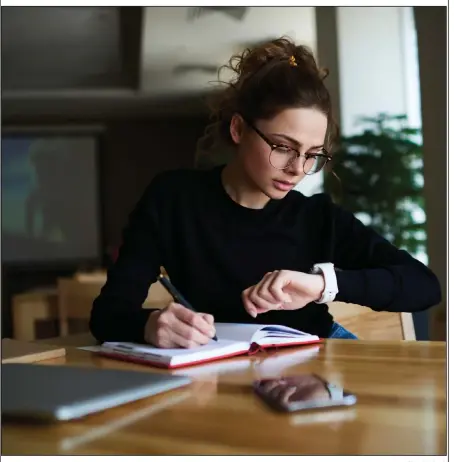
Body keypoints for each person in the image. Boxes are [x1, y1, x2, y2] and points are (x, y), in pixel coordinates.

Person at [89, 37, 441, 347]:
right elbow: (108, 314)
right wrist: (150, 325)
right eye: (283, 147)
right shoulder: (173, 199)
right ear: (239, 128)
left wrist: (321, 285)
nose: (297, 169)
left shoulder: (316, 217)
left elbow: (424, 286)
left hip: (318, 358)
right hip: (224, 366)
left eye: (312, 155)